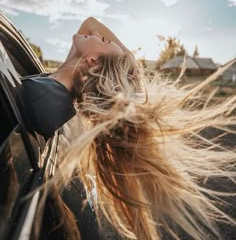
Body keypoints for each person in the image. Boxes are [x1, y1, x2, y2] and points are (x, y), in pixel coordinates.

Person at [18, 17, 236, 240]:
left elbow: (90, 26)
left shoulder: (43, 100)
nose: (98, 34)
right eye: (104, 39)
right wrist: (128, 59)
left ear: (92, 61)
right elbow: (89, 23)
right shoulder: (59, 91)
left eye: (102, 40)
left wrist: (125, 59)